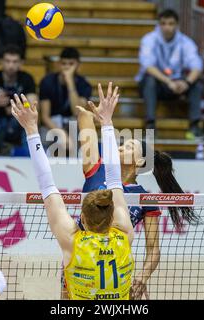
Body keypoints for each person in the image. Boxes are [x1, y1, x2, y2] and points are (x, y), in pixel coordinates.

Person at [73, 84, 198, 299]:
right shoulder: (95, 168)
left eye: (129, 146)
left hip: (115, 269)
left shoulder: (145, 198)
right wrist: (88, 114)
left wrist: (142, 277)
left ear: (140, 161)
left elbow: (153, 249)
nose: (121, 147)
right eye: (121, 144)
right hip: (80, 264)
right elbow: (85, 128)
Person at [10, 83, 135, 300]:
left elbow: (47, 184)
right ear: (112, 214)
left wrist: (31, 129)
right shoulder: (125, 234)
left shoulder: (73, 242)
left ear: (83, 219)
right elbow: (115, 179)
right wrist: (107, 121)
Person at [136, 9, 204, 138]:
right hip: (158, 84)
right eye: (163, 23)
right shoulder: (149, 39)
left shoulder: (186, 42)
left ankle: (195, 126)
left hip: (178, 84)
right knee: (149, 79)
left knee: (197, 84)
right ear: (158, 25)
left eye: (171, 23)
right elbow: (148, 66)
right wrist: (168, 81)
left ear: (177, 25)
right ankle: (150, 125)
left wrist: (186, 82)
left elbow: (197, 65)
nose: (167, 27)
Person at [39, 47, 92, 156]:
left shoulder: (83, 84)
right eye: (64, 63)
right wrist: (61, 133)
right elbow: (45, 117)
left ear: (78, 65)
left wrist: (70, 82)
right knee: (43, 135)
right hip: (52, 124)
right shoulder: (47, 81)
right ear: (59, 64)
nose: (67, 67)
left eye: (71, 64)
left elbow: (77, 112)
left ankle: (76, 165)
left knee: (79, 129)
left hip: (72, 123)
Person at [0, 45, 37, 147]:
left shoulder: (27, 79)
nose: (11, 65)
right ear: (1, 62)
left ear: (21, 63)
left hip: (20, 119)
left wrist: (19, 108)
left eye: (15, 62)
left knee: (29, 124)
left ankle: (27, 157)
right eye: (7, 61)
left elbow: (33, 105)